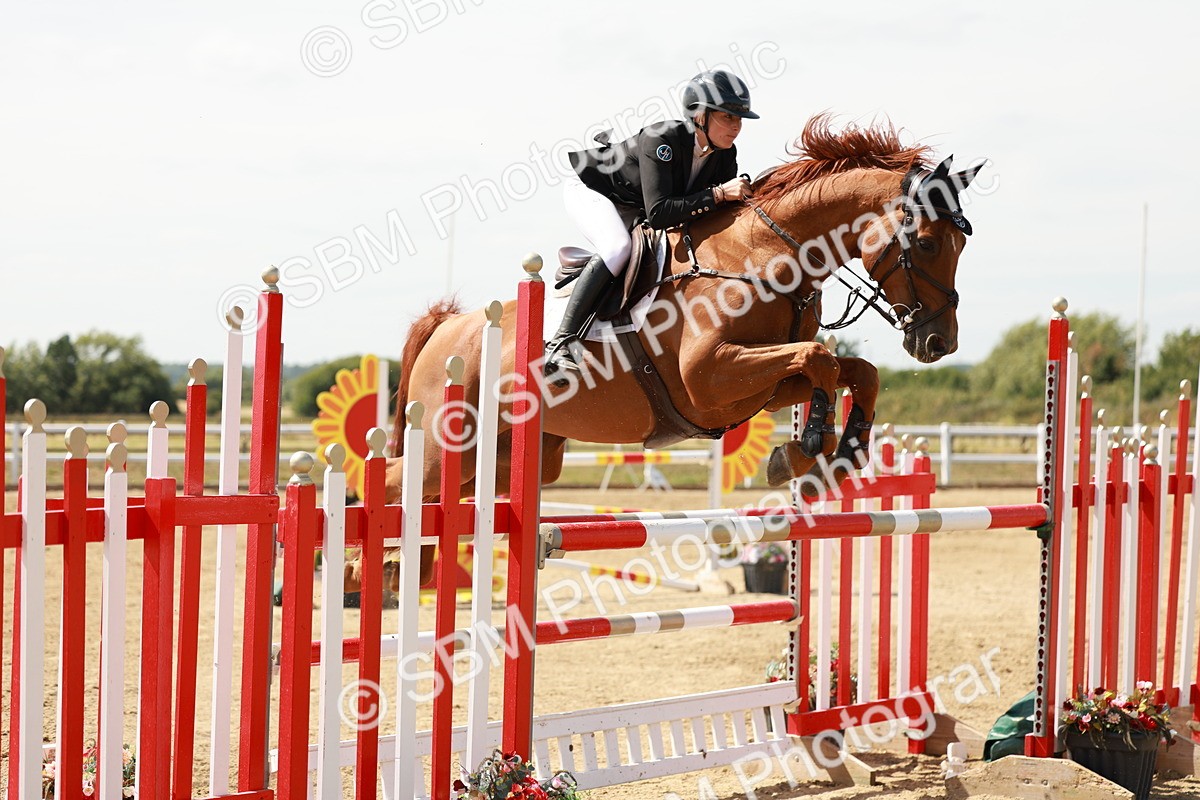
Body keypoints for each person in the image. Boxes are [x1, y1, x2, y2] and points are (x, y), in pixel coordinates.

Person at [544, 68, 759, 377]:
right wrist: (719, 193)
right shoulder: (662, 139)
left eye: (739, 120)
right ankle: (561, 341)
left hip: (638, 204)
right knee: (618, 246)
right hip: (595, 191)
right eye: (728, 117)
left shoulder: (725, 154)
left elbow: (716, 210)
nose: (736, 127)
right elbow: (660, 213)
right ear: (699, 115)